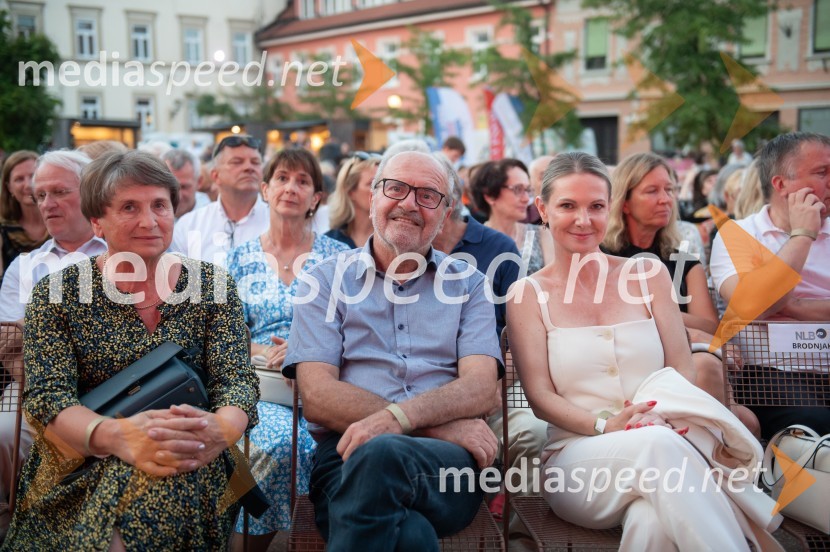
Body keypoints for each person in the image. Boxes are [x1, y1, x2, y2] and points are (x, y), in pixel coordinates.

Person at [507, 152, 780, 551]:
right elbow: (540, 398)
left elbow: (682, 370)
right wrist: (607, 425)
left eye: (596, 206)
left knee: (651, 522)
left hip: (664, 440)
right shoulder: (527, 295)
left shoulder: (648, 275)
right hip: (576, 462)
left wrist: (658, 415)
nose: (584, 220)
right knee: (657, 446)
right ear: (543, 209)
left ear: (610, 209)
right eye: (568, 206)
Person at [2, 150, 259, 550]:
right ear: (97, 221)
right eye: (129, 207)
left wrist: (219, 430)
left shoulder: (212, 285)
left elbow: (237, 381)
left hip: (193, 454)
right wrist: (116, 436)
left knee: (156, 492)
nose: (149, 220)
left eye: (159, 205)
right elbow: (48, 396)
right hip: (82, 460)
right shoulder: (57, 294)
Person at [283, 150, 502, 551]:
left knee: (384, 452)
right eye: (396, 188)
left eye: (427, 195)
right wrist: (426, 421)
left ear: (447, 211)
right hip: (347, 454)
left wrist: (398, 423)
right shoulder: (323, 281)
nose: (409, 204)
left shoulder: (469, 285)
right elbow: (318, 397)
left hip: (446, 465)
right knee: (411, 537)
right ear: (372, 197)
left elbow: (482, 388)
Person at [226, 148, 348, 551]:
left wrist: (301, 350)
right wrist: (266, 352)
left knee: (318, 449)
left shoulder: (341, 259)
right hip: (264, 390)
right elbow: (226, 337)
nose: (290, 188)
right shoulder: (239, 259)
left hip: (327, 386)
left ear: (317, 197)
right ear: (265, 189)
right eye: (281, 178)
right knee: (275, 446)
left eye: (302, 181)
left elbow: (358, 331)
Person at [602, 153, 759, 435]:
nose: (666, 199)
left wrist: (661, 316)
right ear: (624, 202)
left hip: (688, 362)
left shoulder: (684, 262)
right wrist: (685, 329)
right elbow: (606, 318)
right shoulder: (603, 257)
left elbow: (710, 327)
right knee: (732, 405)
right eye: (652, 191)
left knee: (746, 417)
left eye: (669, 190)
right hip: (624, 361)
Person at [710, 131, 830, 440]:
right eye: (821, 172)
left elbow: (762, 304)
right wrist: (803, 234)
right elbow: (751, 306)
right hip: (768, 374)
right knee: (814, 422)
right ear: (781, 184)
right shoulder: (738, 234)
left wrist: (787, 304)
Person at [171, 135, 267, 267]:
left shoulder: (279, 223)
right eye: (237, 162)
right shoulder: (189, 226)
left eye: (255, 162)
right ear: (215, 176)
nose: (248, 168)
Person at [470, 159, 553, 275]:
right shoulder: (476, 242)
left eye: (528, 190)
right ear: (490, 195)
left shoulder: (540, 233)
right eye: (518, 189)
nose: (526, 199)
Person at [0, 151, 48, 282]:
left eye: (33, 176)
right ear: (9, 187)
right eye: (19, 179)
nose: (28, 185)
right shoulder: (3, 233)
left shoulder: (65, 226)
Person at [324, 152, 380, 249]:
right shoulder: (328, 243)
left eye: (386, 184)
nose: (382, 190)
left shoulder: (392, 239)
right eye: (374, 184)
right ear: (350, 191)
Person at [163, 149, 210, 219]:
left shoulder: (212, 219)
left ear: (199, 182)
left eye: (184, 187)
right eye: (171, 187)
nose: (178, 196)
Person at [525, 155, 556, 225]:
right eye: (544, 176)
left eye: (557, 175)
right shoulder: (522, 220)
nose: (552, 180)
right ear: (529, 182)